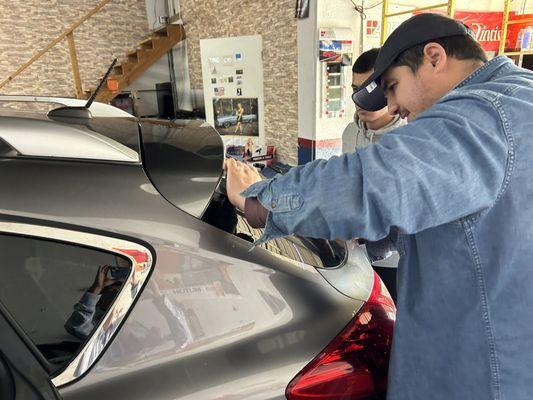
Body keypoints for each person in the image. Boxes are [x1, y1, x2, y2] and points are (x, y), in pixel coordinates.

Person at [225, 13, 533, 400]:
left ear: (435, 57)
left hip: (483, 372)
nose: (393, 106)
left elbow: (368, 181)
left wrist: (257, 199)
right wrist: (370, 238)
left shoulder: (486, 115)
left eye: (392, 86)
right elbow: (462, 215)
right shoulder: (518, 99)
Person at [342, 48, 405, 153]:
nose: (360, 99)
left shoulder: (406, 140)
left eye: (370, 89)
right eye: (356, 89)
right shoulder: (350, 132)